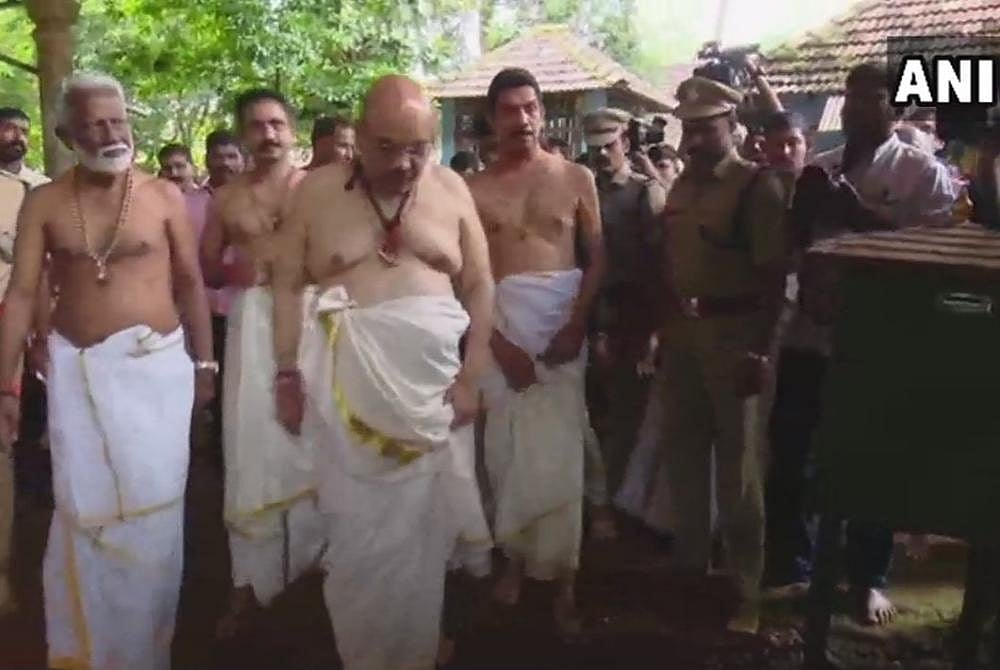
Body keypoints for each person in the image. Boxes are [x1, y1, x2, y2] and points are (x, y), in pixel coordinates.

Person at [271, 75, 493, 670]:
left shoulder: (450, 189)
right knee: (357, 537)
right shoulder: (314, 193)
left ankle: (421, 649)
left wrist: (472, 375)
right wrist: (286, 374)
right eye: (389, 147)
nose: (404, 163)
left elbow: (478, 282)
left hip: (434, 393)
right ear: (359, 137)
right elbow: (287, 284)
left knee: (428, 534)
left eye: (418, 148)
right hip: (348, 394)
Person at [0, 71, 215, 669]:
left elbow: (192, 284)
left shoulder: (161, 196)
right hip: (79, 379)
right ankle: (88, 651)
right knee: (83, 513)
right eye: (94, 123)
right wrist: (7, 383)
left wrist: (206, 362)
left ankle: (147, 647)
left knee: (154, 513)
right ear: (68, 133)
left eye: (117, 119)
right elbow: (20, 295)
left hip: (157, 376)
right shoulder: (45, 201)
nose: (109, 132)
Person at [778, 64, 956, 628]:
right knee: (797, 454)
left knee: (871, 461)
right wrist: (801, 211)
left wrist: (855, 211)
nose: (857, 107)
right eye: (851, 97)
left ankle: (867, 580)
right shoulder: (820, 167)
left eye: (871, 98)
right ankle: (801, 570)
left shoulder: (921, 173)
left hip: (881, 342)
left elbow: (935, 254)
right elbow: (795, 249)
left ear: (893, 106)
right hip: (811, 333)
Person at [468, 67, 605, 636]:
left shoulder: (576, 178)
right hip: (501, 330)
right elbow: (466, 279)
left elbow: (597, 258)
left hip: (560, 330)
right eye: (509, 110)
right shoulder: (471, 189)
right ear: (493, 119)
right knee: (503, 454)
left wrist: (576, 325)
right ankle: (514, 563)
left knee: (560, 456)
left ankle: (565, 581)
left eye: (530, 108)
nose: (521, 119)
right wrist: (497, 344)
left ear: (543, 114)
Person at [659, 76, 789, 634]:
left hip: (736, 335)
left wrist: (760, 351)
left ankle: (747, 591)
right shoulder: (681, 188)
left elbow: (772, 277)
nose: (696, 137)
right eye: (689, 127)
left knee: (739, 472)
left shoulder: (755, 187)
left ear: (732, 126)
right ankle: (692, 570)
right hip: (684, 337)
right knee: (684, 459)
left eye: (707, 126)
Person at [198, 88, 325, 638]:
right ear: (244, 135)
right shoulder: (226, 199)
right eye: (256, 126)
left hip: (315, 322)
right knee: (252, 441)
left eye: (277, 124)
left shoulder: (322, 190)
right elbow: (205, 266)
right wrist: (235, 272)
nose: (268, 135)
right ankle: (249, 582)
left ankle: (323, 567)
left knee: (316, 440)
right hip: (251, 327)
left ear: (292, 130)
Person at [581, 107, 666, 503]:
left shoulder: (644, 192)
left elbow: (659, 267)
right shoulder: (583, 192)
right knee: (594, 415)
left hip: (633, 318)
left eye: (608, 146)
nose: (601, 155)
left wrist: (654, 333)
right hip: (589, 316)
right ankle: (597, 499)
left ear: (625, 144)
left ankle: (618, 502)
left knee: (628, 417)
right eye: (594, 147)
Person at [0, 106, 50, 616]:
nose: (16, 137)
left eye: (23, 131)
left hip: (22, 323)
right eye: (8, 129)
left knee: (10, 437)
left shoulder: (44, 188)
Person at [193, 130, 245, 447]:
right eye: (218, 156)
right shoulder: (188, 204)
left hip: (246, 309)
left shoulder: (259, 200)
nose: (225, 163)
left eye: (232, 156)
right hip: (203, 314)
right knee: (210, 390)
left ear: (243, 160)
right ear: (207, 159)